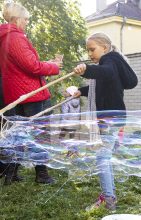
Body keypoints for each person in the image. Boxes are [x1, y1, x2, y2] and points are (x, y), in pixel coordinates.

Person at [73, 33, 138, 210]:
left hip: (110, 118)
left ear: (105, 48)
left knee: (102, 156)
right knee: (105, 156)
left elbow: (106, 73)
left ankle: (109, 198)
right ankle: (109, 194)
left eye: (92, 49)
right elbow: (103, 87)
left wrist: (86, 69)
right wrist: (81, 91)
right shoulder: (110, 63)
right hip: (110, 117)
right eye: (88, 50)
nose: (90, 53)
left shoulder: (110, 60)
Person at [0, 2, 62, 185]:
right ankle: (42, 175)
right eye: (25, 19)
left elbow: (22, 65)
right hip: (31, 94)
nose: (27, 22)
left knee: (18, 134)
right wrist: (54, 66)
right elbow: (32, 67)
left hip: (16, 94)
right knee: (39, 134)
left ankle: (11, 173)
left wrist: (45, 63)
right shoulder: (15, 37)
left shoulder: (4, 38)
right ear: (16, 19)